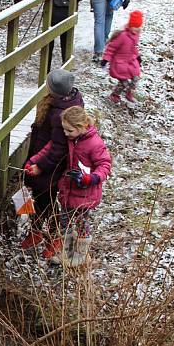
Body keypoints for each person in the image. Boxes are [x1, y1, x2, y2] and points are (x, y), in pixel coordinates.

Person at [21, 68, 84, 259]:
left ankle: (54, 237)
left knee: (47, 199)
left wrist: (40, 166)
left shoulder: (60, 115)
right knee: (40, 199)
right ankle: (37, 231)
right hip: (43, 160)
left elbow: (58, 148)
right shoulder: (64, 103)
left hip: (52, 168)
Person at [57, 106, 112, 267]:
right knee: (64, 220)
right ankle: (65, 252)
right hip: (69, 189)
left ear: (81, 127)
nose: (65, 133)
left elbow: (105, 165)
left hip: (84, 192)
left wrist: (91, 178)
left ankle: (81, 254)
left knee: (81, 222)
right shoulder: (73, 139)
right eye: (64, 129)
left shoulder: (94, 143)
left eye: (69, 130)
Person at [102, 10, 144, 108]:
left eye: (138, 27)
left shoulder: (136, 35)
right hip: (120, 64)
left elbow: (133, 47)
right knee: (123, 83)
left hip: (130, 62)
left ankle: (128, 93)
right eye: (135, 27)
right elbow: (111, 48)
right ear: (130, 25)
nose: (137, 29)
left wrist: (138, 56)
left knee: (135, 79)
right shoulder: (122, 36)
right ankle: (115, 95)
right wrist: (105, 59)